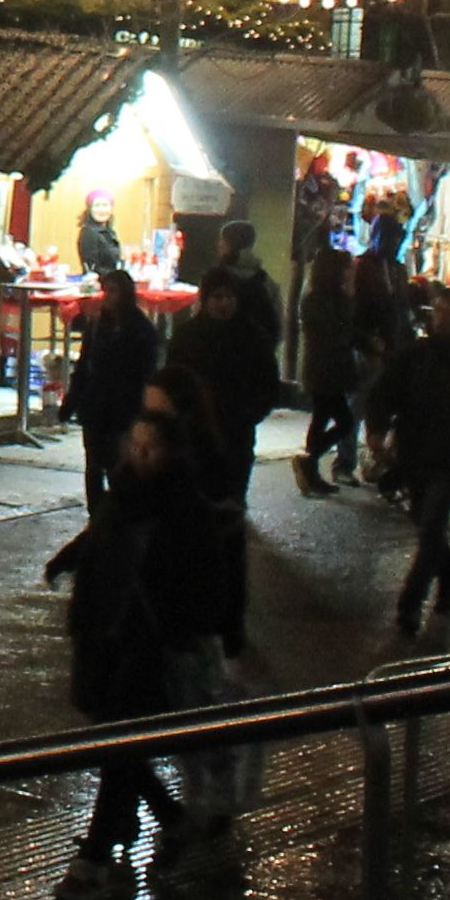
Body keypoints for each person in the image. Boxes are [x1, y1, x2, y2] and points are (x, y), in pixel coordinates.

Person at [54, 414, 212, 900]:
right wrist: (67, 560)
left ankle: (97, 854)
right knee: (114, 739)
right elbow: (101, 535)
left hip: (144, 639)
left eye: (152, 447)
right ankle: (167, 817)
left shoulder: (185, 506)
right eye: (135, 444)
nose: (140, 455)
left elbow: (198, 578)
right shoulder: (121, 491)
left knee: (117, 738)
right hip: (101, 630)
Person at [368, 289, 450, 635]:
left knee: (431, 527)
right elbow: (384, 393)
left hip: (449, 459)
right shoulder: (414, 355)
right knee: (424, 522)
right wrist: (377, 430)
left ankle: (409, 605)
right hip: (412, 455)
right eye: (439, 310)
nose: (443, 317)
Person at [171, 273, 273, 648]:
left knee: (229, 529)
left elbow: (267, 386)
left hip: (234, 443)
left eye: (228, 296)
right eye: (216, 296)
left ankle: (231, 621)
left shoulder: (252, 338)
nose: (222, 304)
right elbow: (173, 383)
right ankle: (194, 611)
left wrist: (246, 415)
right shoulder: (188, 337)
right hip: (192, 444)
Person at [44, 268, 157, 582]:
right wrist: (71, 404)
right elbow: (84, 368)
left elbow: (145, 374)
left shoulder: (141, 331)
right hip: (96, 407)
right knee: (94, 465)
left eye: (114, 292)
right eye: (106, 291)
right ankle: (97, 523)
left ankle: (113, 526)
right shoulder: (98, 327)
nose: (108, 298)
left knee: (117, 468)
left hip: (123, 409)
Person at [295, 251, 361, 495]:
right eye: (345, 268)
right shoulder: (321, 299)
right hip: (325, 368)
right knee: (344, 420)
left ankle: (310, 470)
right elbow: (337, 330)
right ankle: (309, 459)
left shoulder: (329, 296)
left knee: (322, 417)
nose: (349, 272)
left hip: (327, 368)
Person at [211, 221, 281, 367]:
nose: (218, 245)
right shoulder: (266, 282)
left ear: (228, 245)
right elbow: (278, 326)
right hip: (257, 363)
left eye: (222, 241)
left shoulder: (214, 280)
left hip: (219, 360)